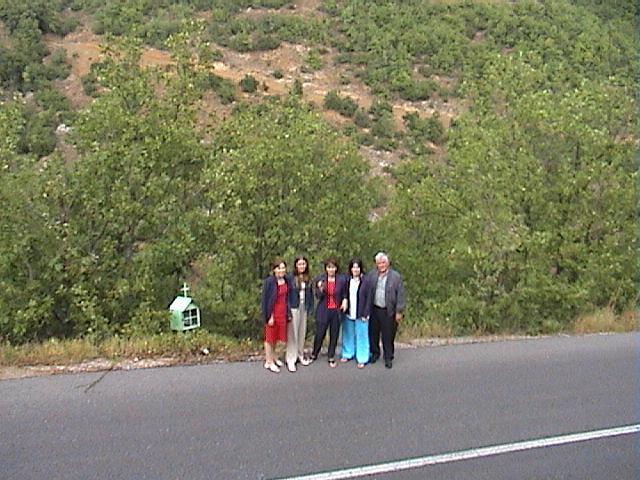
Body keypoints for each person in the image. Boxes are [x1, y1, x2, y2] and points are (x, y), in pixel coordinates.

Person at [367, 252, 406, 369]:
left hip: (389, 310)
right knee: (373, 333)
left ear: (388, 263)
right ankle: (375, 353)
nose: (381, 265)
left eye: (383, 262)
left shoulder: (395, 277)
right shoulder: (372, 275)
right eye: (379, 263)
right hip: (374, 309)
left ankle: (388, 357)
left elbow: (401, 295)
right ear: (376, 264)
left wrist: (399, 311)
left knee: (388, 335)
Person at [311, 257, 348, 368]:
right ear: (326, 269)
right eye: (329, 267)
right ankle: (314, 353)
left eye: (333, 267)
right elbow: (318, 296)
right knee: (320, 333)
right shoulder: (320, 279)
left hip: (336, 310)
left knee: (334, 334)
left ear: (336, 268)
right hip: (324, 310)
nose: (331, 270)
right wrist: (321, 289)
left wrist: (345, 300)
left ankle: (331, 355)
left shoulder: (341, 280)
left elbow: (345, 293)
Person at [261, 258, 291, 373]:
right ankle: (269, 361)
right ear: (274, 270)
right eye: (279, 268)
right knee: (270, 338)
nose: (281, 270)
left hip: (283, 312)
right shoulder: (269, 282)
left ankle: (274, 357)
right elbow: (265, 300)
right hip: (273, 313)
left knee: (278, 338)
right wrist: (269, 316)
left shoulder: (286, 280)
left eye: (283, 268)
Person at [285, 255, 314, 372]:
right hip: (293, 307)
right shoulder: (290, 278)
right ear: (296, 265)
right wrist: (287, 311)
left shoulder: (308, 278)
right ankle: (291, 359)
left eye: (303, 264)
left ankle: (300, 354)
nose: (301, 266)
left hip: (304, 306)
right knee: (293, 334)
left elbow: (310, 294)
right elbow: (286, 296)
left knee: (302, 332)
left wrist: (311, 307)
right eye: (299, 264)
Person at [340, 257, 370, 368]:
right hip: (349, 312)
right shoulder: (347, 280)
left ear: (361, 269)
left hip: (361, 313)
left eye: (358, 267)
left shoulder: (366, 281)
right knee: (348, 334)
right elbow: (344, 294)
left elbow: (369, 298)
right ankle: (348, 353)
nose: (355, 270)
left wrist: (366, 313)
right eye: (353, 267)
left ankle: (362, 357)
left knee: (362, 335)